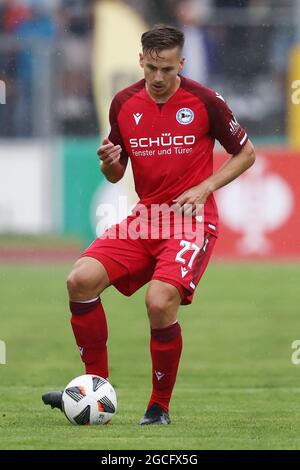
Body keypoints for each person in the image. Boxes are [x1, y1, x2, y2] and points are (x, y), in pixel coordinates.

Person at [42, 24, 255, 425]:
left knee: (159, 301)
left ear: (182, 65)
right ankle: (94, 389)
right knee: (80, 280)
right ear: (141, 60)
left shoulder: (206, 101)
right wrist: (109, 163)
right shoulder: (123, 103)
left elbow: (246, 153)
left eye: (168, 70)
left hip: (191, 220)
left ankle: (158, 407)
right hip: (147, 218)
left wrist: (205, 187)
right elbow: (115, 170)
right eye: (152, 68)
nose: (158, 78)